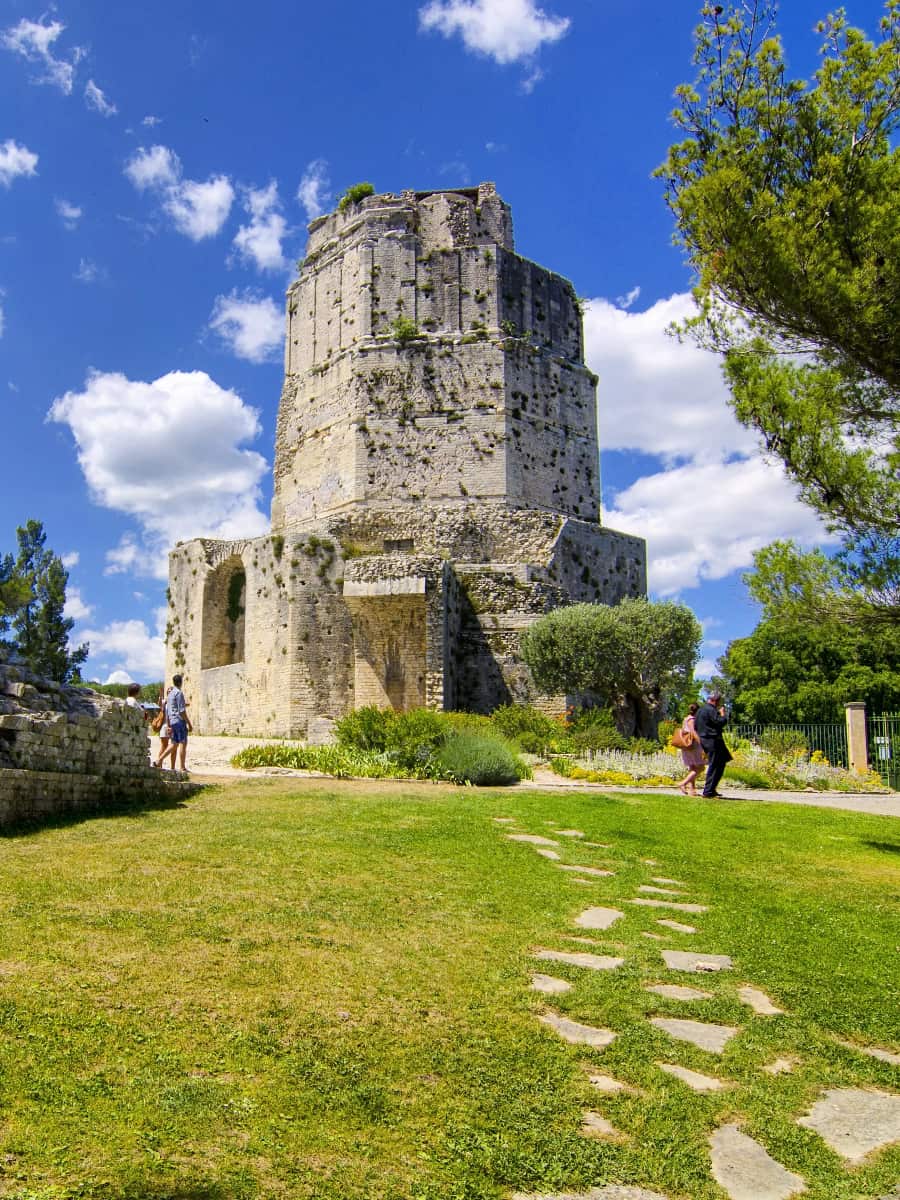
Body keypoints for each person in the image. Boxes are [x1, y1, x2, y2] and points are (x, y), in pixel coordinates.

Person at [694, 691, 732, 798]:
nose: (719, 703)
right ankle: (708, 791)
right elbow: (720, 722)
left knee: (721, 761)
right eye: (719, 701)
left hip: (705, 739)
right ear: (715, 700)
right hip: (713, 739)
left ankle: (711, 789)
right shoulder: (711, 710)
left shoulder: (700, 710)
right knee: (715, 764)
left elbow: (695, 726)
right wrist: (723, 714)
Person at [158, 673, 192, 772]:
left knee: (174, 744)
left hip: (172, 722)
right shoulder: (179, 693)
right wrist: (189, 723)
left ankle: (159, 760)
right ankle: (182, 767)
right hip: (179, 721)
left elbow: (168, 712)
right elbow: (182, 711)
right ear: (181, 682)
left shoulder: (170, 695)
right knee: (183, 743)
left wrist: (169, 725)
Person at [677, 702, 706, 795]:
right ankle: (683, 783)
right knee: (701, 767)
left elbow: (683, 732)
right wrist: (702, 743)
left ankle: (692, 790)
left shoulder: (685, 719)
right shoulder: (692, 720)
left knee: (692, 767)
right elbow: (693, 733)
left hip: (686, 745)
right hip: (693, 746)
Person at [154, 683, 172, 768]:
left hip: (170, 726)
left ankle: (160, 763)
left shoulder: (173, 701)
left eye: (171, 691)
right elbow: (159, 705)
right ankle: (159, 763)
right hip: (165, 726)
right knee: (164, 745)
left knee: (168, 745)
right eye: (168, 691)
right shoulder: (165, 701)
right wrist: (161, 695)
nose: (169, 692)